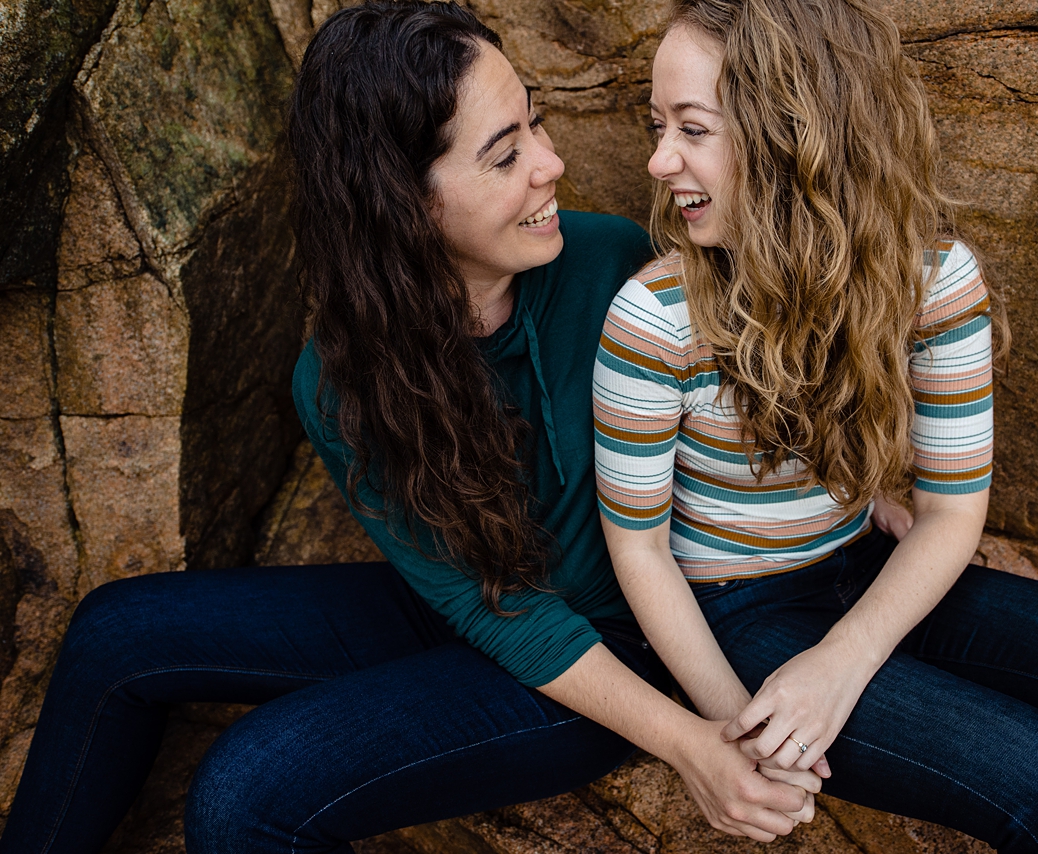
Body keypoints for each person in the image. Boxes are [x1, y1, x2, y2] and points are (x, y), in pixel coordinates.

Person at [0, 3, 822, 851]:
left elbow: (781, 362)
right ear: (403, 204)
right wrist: (696, 751)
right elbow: (481, 602)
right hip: (476, 600)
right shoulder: (341, 378)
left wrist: (863, 497)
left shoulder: (615, 266)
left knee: (245, 791)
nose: (551, 163)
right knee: (115, 634)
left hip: (625, 644)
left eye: (534, 122)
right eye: (505, 155)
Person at [592, 1, 1038, 852]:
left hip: (865, 566)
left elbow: (953, 511)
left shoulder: (933, 280)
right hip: (733, 613)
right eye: (658, 126)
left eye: (693, 129)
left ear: (795, 134)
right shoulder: (653, 318)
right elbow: (639, 549)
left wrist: (844, 661)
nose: (660, 161)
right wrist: (742, 727)